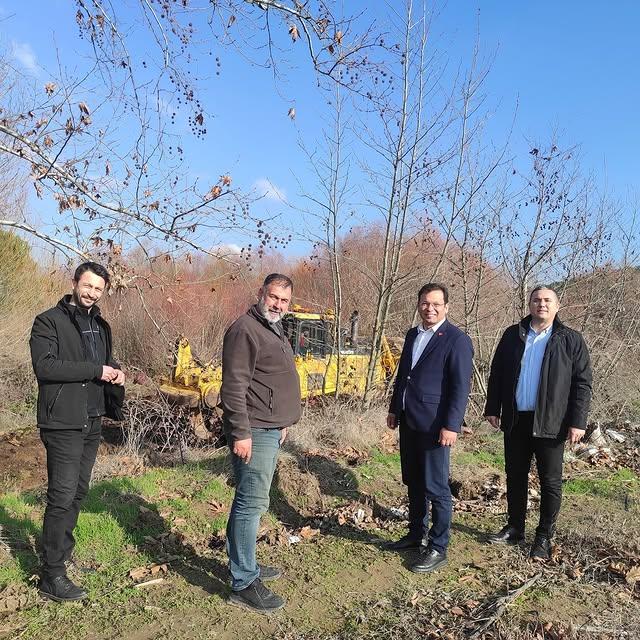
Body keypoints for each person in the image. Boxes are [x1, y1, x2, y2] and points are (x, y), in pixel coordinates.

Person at [29, 262, 125, 601]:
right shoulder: (48, 321)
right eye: (87, 286)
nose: (92, 293)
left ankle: (62, 559)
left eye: (98, 289)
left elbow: (105, 365)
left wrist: (116, 375)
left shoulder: (101, 325)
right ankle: (51, 575)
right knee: (62, 495)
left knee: (79, 492)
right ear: (74, 283)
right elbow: (45, 366)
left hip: (92, 420)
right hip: (62, 421)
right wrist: (97, 369)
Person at [484, 286, 592, 559]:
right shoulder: (513, 335)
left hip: (552, 422)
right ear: (529, 304)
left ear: (557, 306)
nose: (541, 304)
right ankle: (515, 527)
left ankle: (543, 536)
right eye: (536, 300)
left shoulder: (570, 339)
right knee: (515, 475)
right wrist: (492, 407)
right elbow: (496, 373)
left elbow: (582, 384)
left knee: (550, 481)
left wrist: (578, 422)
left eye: (547, 301)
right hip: (516, 418)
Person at [221, 273, 301, 613]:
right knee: (251, 503)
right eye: (273, 297)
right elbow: (234, 386)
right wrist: (241, 432)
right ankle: (243, 581)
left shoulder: (273, 327)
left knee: (251, 501)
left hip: (270, 427)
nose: (277, 305)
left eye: (283, 300)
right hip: (253, 430)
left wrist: (282, 421)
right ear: (260, 294)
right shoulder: (245, 329)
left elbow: (268, 379)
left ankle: (244, 563)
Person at [386, 283, 473, 573]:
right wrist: (394, 408)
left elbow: (460, 387)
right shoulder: (413, 334)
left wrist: (452, 425)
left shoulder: (456, 340)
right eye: (425, 303)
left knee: (437, 487)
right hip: (410, 420)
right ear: (418, 304)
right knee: (413, 481)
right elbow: (404, 376)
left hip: (437, 425)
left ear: (446, 307)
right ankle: (415, 534)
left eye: (436, 304)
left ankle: (438, 546)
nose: (430, 308)